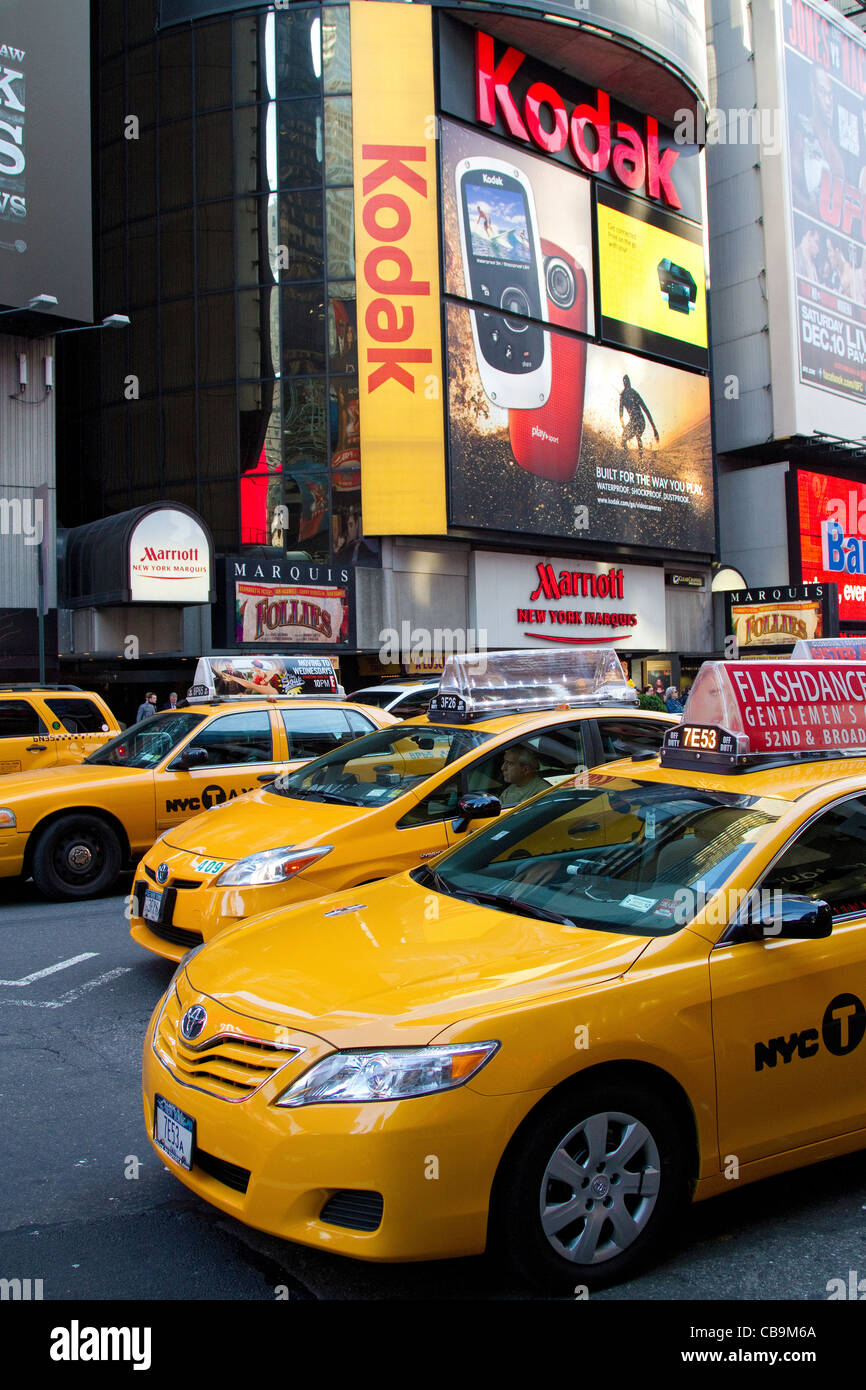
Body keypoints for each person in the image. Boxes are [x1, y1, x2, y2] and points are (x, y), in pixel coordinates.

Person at [619, 374, 659, 457]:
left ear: (629, 383)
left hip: (640, 421)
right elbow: (621, 413)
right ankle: (628, 458)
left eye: (628, 382)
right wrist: (622, 424)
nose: (627, 385)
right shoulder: (623, 397)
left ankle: (641, 457)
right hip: (632, 422)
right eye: (626, 383)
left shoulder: (635, 394)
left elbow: (646, 410)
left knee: (637, 435)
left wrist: (654, 429)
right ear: (624, 384)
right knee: (623, 440)